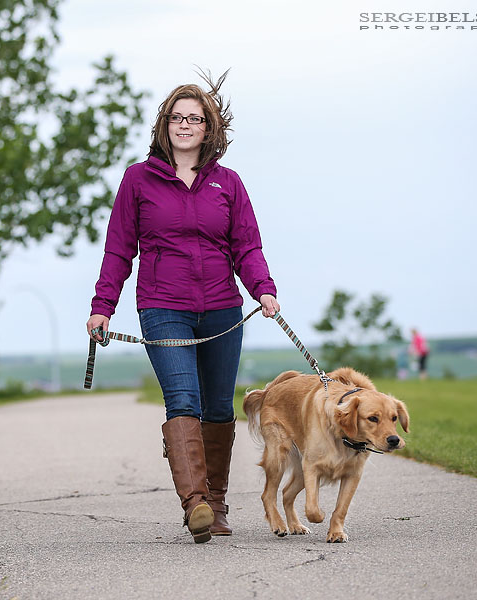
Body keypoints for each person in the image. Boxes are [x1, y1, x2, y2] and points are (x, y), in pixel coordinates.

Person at [85, 71, 280, 544]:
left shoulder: (228, 184)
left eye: (194, 119)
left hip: (221, 309)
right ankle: (195, 505)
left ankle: (216, 503)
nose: (185, 125)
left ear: (208, 128)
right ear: (164, 125)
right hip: (162, 307)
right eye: (177, 118)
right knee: (184, 401)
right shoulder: (138, 180)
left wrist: (264, 289)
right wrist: (102, 305)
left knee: (217, 407)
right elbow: (118, 249)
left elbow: (247, 247)